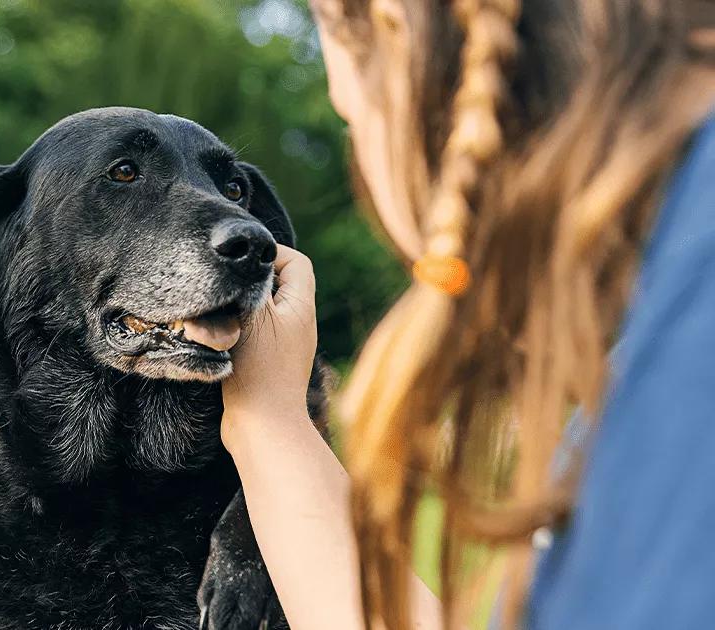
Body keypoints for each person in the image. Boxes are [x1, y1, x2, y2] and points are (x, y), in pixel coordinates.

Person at [221, 0, 715, 628]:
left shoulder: (690, 360)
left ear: (394, 26)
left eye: (350, 123)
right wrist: (270, 421)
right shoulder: (667, 316)